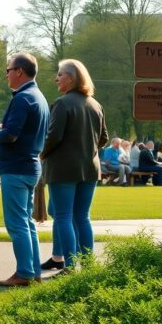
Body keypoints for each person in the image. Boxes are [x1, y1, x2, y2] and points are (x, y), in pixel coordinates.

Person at [37, 58, 107, 278]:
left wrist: (41, 153)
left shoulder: (62, 103)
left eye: (60, 74)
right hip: (90, 168)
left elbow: (53, 136)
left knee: (64, 216)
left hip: (63, 169)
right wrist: (86, 148)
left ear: (72, 78)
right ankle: (87, 266)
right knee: (82, 217)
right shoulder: (95, 104)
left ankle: (69, 267)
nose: (56, 78)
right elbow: (103, 138)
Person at [0, 52, 49, 287]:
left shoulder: (22, 98)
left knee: (17, 224)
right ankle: (33, 271)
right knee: (26, 222)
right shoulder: (39, 96)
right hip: (30, 166)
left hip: (16, 168)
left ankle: (24, 273)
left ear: (19, 72)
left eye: (8, 70)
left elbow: (11, 135)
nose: (6, 74)